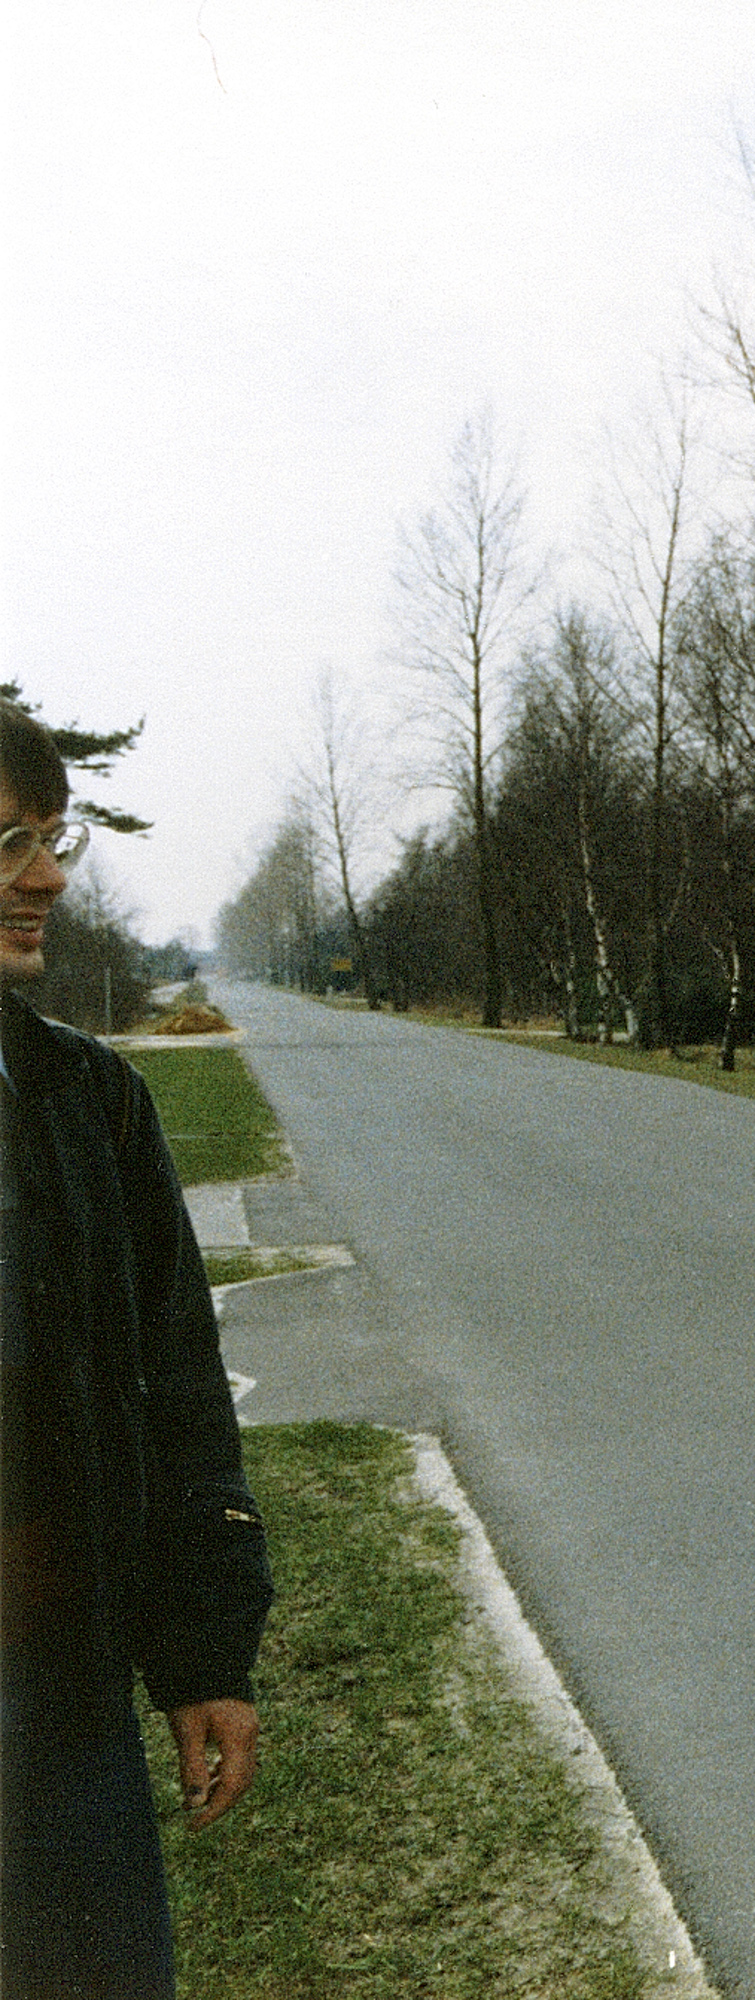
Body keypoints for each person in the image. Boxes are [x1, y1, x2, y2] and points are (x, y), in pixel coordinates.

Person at [0, 700, 273, 1999]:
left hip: (63, 1716)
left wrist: (204, 1653)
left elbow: (179, 1399)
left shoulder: (91, 1104)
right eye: (8, 842)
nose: (48, 877)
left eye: (54, 840)